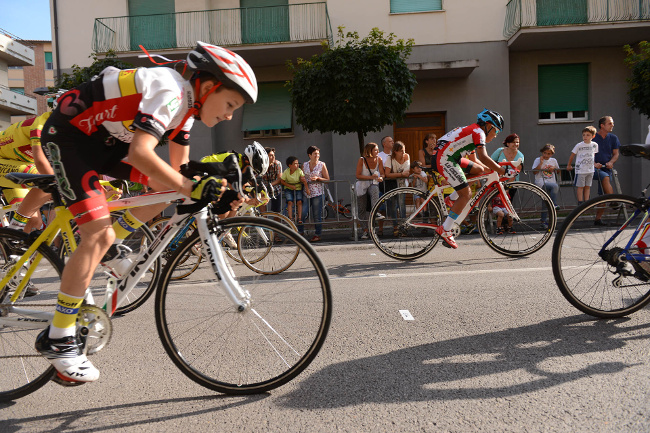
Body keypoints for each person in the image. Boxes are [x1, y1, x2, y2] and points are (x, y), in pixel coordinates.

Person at [34, 41, 258, 384]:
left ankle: (109, 250)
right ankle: (59, 336)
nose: (230, 114)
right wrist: (190, 187)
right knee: (99, 231)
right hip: (70, 137)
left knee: (164, 189)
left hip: (104, 143)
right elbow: (141, 153)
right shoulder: (170, 90)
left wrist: (214, 193)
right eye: (229, 103)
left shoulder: (186, 112)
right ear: (209, 87)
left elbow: (178, 175)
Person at [433, 109, 508, 249]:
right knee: (466, 194)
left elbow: (476, 161)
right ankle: (445, 229)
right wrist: (501, 170)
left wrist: (490, 170)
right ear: (488, 125)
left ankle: (452, 198)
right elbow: (484, 157)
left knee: (478, 170)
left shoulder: (472, 131)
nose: (496, 135)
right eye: (496, 131)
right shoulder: (478, 132)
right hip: (445, 159)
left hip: (449, 157)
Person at [0, 112, 54, 232]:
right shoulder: (42, 124)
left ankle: (20, 248)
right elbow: (40, 163)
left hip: (19, 165)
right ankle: (14, 231)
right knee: (45, 179)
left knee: (34, 223)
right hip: (4, 161)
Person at [592, 116, 620, 225]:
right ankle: (613, 200)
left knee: (603, 195)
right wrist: (594, 164)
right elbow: (586, 154)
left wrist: (611, 162)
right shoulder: (593, 138)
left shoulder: (613, 138)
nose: (612, 125)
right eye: (610, 123)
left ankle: (597, 219)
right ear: (602, 125)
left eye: (612, 123)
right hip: (593, 168)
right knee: (604, 177)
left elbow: (616, 154)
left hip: (606, 168)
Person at [355, 142, 384, 239]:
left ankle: (375, 213)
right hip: (362, 185)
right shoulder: (362, 160)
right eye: (376, 150)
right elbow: (358, 175)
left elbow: (382, 174)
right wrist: (370, 177)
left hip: (372, 183)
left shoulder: (379, 159)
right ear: (369, 150)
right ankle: (365, 230)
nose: (378, 151)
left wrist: (381, 178)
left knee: (375, 189)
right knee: (362, 208)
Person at [300, 145, 329, 242]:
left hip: (318, 193)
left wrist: (318, 178)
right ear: (309, 155)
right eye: (315, 153)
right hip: (306, 192)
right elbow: (302, 177)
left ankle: (317, 234)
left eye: (318, 153)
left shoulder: (322, 164)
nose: (317, 155)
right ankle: (300, 232)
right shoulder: (304, 165)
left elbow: (327, 179)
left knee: (317, 214)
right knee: (303, 212)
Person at [567, 126, 599, 207]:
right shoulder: (579, 145)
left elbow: (593, 155)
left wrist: (594, 164)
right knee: (580, 186)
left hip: (590, 170)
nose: (585, 137)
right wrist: (569, 164)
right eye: (584, 135)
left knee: (588, 186)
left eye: (588, 135)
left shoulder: (594, 145)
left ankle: (587, 202)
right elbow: (572, 155)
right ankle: (580, 202)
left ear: (593, 136)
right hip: (581, 170)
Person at [384, 141, 410, 237]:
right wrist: (401, 174)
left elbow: (407, 172)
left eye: (404, 150)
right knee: (393, 206)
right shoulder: (389, 159)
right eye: (401, 151)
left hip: (402, 184)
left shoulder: (406, 156)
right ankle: (395, 226)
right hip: (392, 184)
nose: (403, 153)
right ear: (395, 151)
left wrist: (398, 175)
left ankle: (403, 226)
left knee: (402, 205)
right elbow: (387, 174)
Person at [532, 143, 561, 229]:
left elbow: (559, 171)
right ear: (542, 152)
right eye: (544, 153)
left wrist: (554, 168)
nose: (546, 155)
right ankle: (554, 204)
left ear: (551, 154)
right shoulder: (538, 159)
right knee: (555, 187)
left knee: (546, 202)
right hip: (541, 182)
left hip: (551, 181)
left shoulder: (554, 161)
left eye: (548, 154)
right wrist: (541, 163)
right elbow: (534, 172)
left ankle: (543, 221)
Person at [281, 156, 309, 224]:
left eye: (297, 163)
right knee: (290, 202)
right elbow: (282, 181)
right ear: (290, 165)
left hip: (298, 188)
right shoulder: (286, 171)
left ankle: (299, 218)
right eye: (295, 163)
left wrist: (307, 189)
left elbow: (304, 180)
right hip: (288, 188)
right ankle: (291, 218)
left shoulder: (299, 171)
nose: (297, 165)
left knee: (299, 202)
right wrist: (290, 186)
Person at [262, 147, 282, 213]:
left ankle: (276, 223)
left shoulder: (277, 164)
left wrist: (270, 185)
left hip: (275, 189)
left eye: (273, 155)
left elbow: (279, 179)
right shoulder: (261, 165)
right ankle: (263, 222)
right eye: (271, 155)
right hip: (263, 189)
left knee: (276, 212)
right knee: (263, 212)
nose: (273, 157)